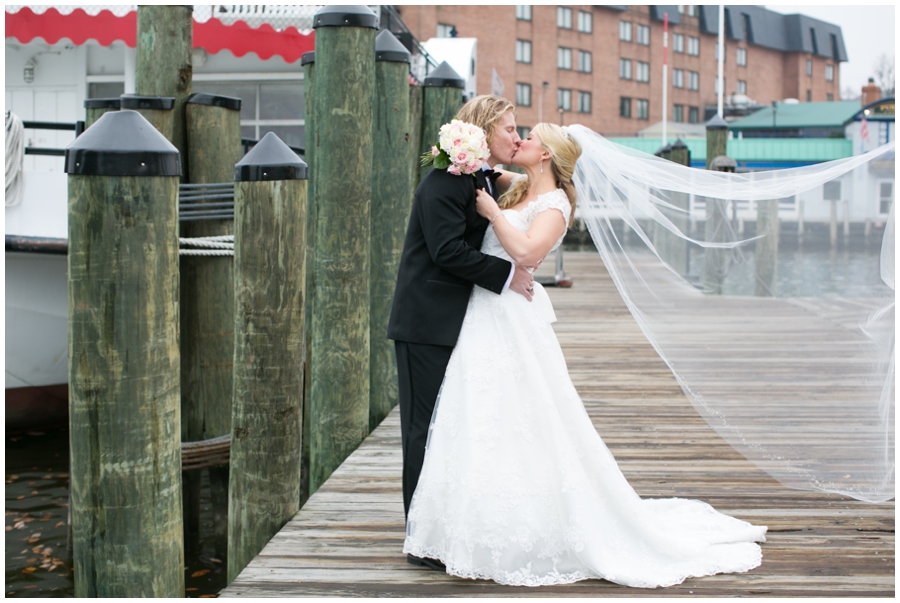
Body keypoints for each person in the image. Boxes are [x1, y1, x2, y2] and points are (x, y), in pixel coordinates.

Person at [402, 123, 767, 588]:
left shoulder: (554, 205)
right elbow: (478, 192)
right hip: (481, 316)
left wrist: (494, 215)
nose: (521, 141)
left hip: (511, 315)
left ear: (546, 156)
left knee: (522, 417)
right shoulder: (513, 187)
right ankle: (464, 522)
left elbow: (529, 253)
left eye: (529, 137)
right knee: (479, 417)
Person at [387, 95, 536, 571]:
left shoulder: (480, 177)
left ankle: (446, 528)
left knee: (450, 429)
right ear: (483, 131)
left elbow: (522, 183)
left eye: (518, 130)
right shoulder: (442, 182)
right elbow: (447, 250)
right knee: (422, 429)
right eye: (510, 129)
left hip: (461, 324)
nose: (516, 136)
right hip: (425, 323)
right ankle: (420, 538)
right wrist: (507, 275)